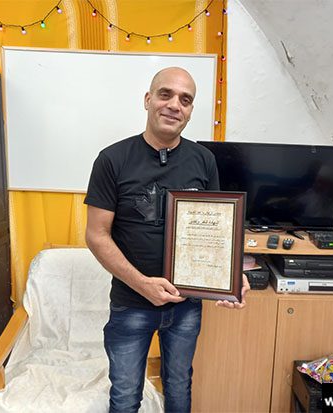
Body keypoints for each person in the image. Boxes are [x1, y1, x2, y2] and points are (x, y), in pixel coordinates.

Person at [84, 67, 250, 413]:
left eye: (185, 100)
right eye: (165, 94)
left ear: (190, 111)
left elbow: (217, 230)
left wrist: (231, 277)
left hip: (186, 307)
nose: (175, 105)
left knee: (179, 386)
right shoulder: (112, 160)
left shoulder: (204, 160)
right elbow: (96, 236)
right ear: (148, 100)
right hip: (131, 304)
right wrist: (142, 284)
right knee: (125, 396)